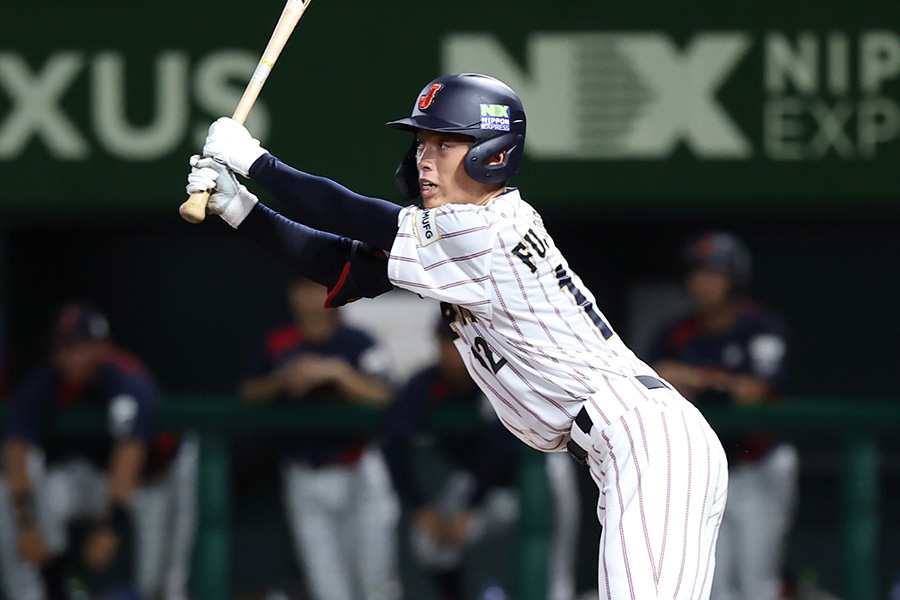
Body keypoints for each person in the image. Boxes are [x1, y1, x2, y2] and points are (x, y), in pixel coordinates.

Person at [185, 72, 728, 599]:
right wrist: (241, 209)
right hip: (628, 447)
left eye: (445, 143)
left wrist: (259, 163)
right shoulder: (452, 243)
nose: (425, 158)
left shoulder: (486, 228)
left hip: (644, 437)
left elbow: (359, 217)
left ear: (493, 153)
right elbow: (345, 267)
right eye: (422, 142)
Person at [0, 303, 196, 600]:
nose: (67, 356)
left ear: (101, 346)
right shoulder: (50, 379)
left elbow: (130, 454)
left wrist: (109, 526)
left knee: (160, 586)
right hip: (104, 475)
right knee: (44, 496)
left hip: (162, 476)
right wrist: (26, 524)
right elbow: (16, 449)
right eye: (61, 347)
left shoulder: (126, 377)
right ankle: (58, 584)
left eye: (76, 346)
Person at [382, 309, 580, 600]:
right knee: (430, 541)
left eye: (459, 340)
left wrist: (471, 507)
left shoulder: (500, 373)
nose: (453, 351)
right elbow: (393, 437)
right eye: (447, 341)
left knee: (552, 574)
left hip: (537, 472)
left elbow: (504, 446)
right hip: (480, 483)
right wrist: (419, 505)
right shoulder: (429, 382)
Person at [646, 232, 798, 600]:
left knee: (755, 583)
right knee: (710, 586)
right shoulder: (677, 333)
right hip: (704, 471)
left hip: (757, 465)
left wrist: (698, 379)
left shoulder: (761, 328)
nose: (703, 283)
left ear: (734, 279)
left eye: (714, 273)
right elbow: (650, 375)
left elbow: (755, 393)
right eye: (697, 273)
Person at [239, 276, 401, 600]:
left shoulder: (357, 341)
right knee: (328, 591)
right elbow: (247, 395)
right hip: (304, 475)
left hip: (359, 470)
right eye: (300, 288)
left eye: (316, 287)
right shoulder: (279, 343)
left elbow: (388, 396)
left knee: (376, 588)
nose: (308, 297)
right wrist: (283, 379)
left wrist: (337, 373)